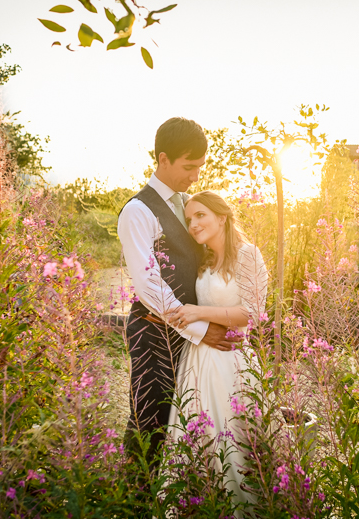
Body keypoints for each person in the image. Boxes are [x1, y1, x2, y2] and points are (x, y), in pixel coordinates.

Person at [117, 117, 235, 465]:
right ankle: (136, 500)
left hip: (191, 333)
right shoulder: (137, 211)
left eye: (200, 167)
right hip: (154, 330)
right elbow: (150, 287)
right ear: (163, 159)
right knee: (150, 420)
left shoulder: (189, 206)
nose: (195, 176)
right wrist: (201, 330)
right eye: (188, 166)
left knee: (185, 422)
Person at [165, 190, 268, 506]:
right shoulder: (203, 260)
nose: (193, 224)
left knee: (236, 442)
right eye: (189, 219)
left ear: (221, 216)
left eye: (200, 215)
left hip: (232, 360)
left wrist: (198, 312)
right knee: (196, 441)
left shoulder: (249, 255)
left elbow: (251, 315)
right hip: (197, 362)